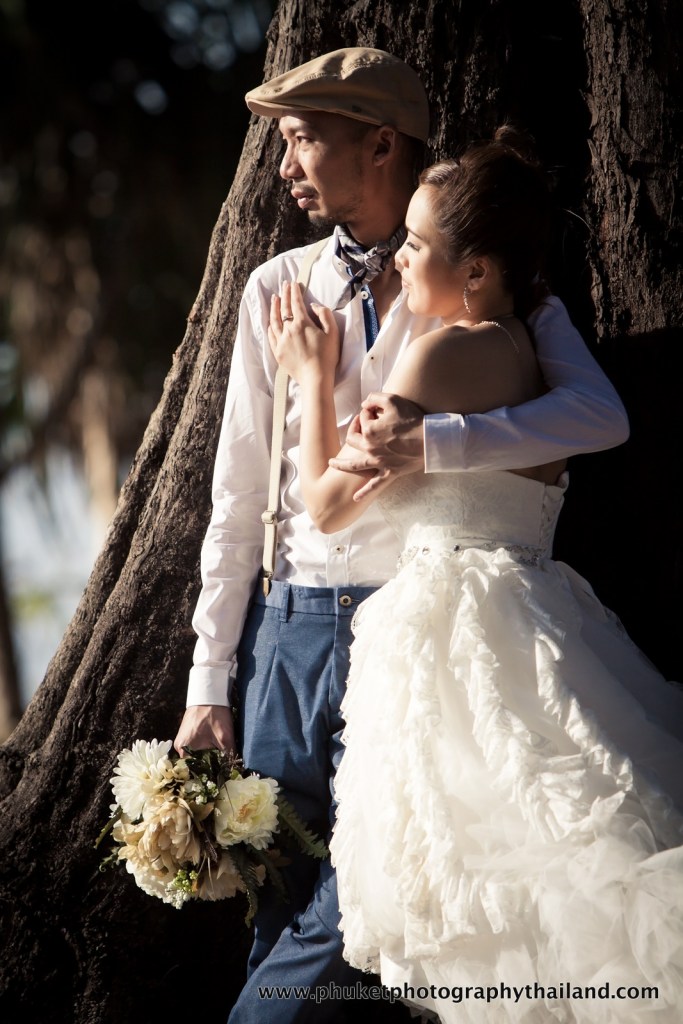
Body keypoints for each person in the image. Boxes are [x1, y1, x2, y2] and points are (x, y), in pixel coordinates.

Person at [173, 48, 630, 1024]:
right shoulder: (274, 290)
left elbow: (594, 417)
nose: (283, 166)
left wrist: (435, 443)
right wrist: (211, 679)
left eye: (301, 139)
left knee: (348, 929)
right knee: (280, 914)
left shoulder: (500, 296)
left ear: (379, 144)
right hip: (286, 640)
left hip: (409, 644)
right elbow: (235, 495)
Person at [268, 127, 683, 1023]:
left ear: (478, 273)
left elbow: (327, 507)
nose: (401, 258)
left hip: (455, 652)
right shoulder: (529, 353)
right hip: (542, 622)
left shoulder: (437, 357)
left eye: (418, 245)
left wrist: (311, 377)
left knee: (485, 900)